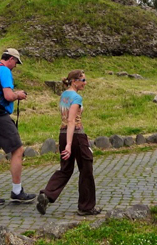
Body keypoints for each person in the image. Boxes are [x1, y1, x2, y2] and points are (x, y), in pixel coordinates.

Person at [36, 70, 101, 216]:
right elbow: (71, 121)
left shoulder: (64, 95)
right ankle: (86, 207)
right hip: (76, 135)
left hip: (62, 133)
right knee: (86, 168)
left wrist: (66, 142)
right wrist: (69, 145)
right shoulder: (76, 97)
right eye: (83, 80)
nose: (85, 83)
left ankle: (47, 194)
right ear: (74, 81)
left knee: (65, 169)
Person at [0, 48, 36, 208]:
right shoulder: (4, 71)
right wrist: (18, 95)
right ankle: (17, 191)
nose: (16, 66)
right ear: (10, 59)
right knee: (17, 150)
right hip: (0, 117)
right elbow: (8, 96)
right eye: (16, 62)